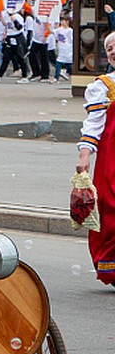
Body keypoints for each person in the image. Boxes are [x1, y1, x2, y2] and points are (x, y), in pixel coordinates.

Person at [76, 30, 115, 287]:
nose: (112, 50)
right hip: (112, 159)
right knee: (110, 208)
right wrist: (85, 154)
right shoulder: (104, 85)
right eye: (108, 47)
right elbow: (94, 124)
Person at [0, 9, 31, 82]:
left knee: (20, 57)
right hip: (10, 38)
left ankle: (25, 76)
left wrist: (15, 21)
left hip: (17, 38)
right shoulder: (8, 17)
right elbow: (7, 25)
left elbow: (19, 27)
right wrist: (1, 18)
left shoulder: (17, 16)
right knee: (6, 58)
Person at [54, 15, 73, 81]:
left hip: (68, 49)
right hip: (61, 49)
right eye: (61, 21)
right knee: (58, 63)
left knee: (69, 64)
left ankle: (70, 73)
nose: (62, 22)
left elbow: (72, 40)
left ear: (67, 22)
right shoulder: (59, 30)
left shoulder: (70, 31)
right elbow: (53, 32)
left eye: (63, 21)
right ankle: (56, 77)